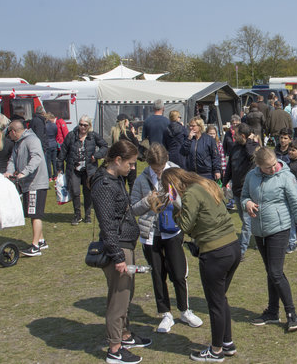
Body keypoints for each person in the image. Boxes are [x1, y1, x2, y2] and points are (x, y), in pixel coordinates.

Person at [154, 168, 240, 362]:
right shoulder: (205, 185)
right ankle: (227, 342)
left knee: (215, 303)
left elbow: (184, 226)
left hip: (215, 251)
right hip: (232, 246)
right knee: (221, 299)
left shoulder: (191, 194)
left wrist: (175, 208)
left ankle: (216, 351)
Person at [90, 140, 152, 364]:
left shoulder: (114, 180)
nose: (133, 168)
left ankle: (124, 335)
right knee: (119, 298)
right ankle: (114, 349)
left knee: (126, 294)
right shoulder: (104, 186)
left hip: (125, 244)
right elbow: (107, 225)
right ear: (117, 161)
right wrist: (117, 257)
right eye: (131, 163)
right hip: (118, 248)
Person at [130, 143, 202, 334]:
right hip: (151, 234)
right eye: (155, 169)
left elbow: (188, 200)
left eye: (161, 168)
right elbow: (133, 209)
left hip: (173, 230)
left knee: (179, 273)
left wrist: (173, 197)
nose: (159, 172)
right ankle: (165, 313)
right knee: (158, 274)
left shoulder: (176, 173)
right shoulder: (141, 180)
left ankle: (185, 310)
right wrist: (147, 201)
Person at [241, 147, 297, 332]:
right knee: (270, 271)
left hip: (280, 228)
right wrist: (246, 203)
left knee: (275, 272)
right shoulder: (251, 176)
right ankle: (273, 311)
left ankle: (292, 314)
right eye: (268, 167)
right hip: (259, 230)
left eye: (274, 164)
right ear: (258, 166)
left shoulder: (285, 176)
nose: (273, 169)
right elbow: (243, 196)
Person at [4, 120, 49, 256]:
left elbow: (37, 158)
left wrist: (25, 172)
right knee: (31, 213)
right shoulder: (18, 143)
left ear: (13, 131)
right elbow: (12, 160)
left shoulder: (32, 140)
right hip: (27, 184)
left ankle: (35, 247)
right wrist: (9, 172)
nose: (9, 137)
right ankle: (41, 240)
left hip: (36, 183)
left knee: (36, 215)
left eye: (9, 133)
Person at [58, 115, 109, 225]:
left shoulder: (93, 136)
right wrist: (59, 168)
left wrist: (97, 155)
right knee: (75, 192)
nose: (82, 127)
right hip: (74, 169)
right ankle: (77, 215)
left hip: (89, 169)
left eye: (85, 125)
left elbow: (104, 146)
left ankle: (88, 215)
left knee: (88, 192)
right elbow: (63, 151)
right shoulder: (71, 135)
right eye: (80, 124)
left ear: (89, 126)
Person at [222, 123, 259, 260]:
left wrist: (249, 140)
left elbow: (251, 155)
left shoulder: (253, 147)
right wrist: (225, 183)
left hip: (248, 191)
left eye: (236, 134)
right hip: (237, 190)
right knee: (246, 219)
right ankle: (259, 240)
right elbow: (230, 168)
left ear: (242, 136)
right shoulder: (234, 148)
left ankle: (241, 250)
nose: (233, 136)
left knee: (247, 222)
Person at [111, 114, 140, 194]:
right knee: (132, 183)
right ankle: (131, 201)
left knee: (121, 182)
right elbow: (136, 145)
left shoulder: (115, 134)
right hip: (130, 161)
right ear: (126, 122)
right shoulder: (128, 133)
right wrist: (134, 134)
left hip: (120, 161)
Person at [45, 113, 59, 181]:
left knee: (48, 162)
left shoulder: (45, 126)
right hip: (54, 143)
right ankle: (55, 175)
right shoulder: (54, 125)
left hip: (48, 144)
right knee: (54, 161)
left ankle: (49, 176)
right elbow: (56, 133)